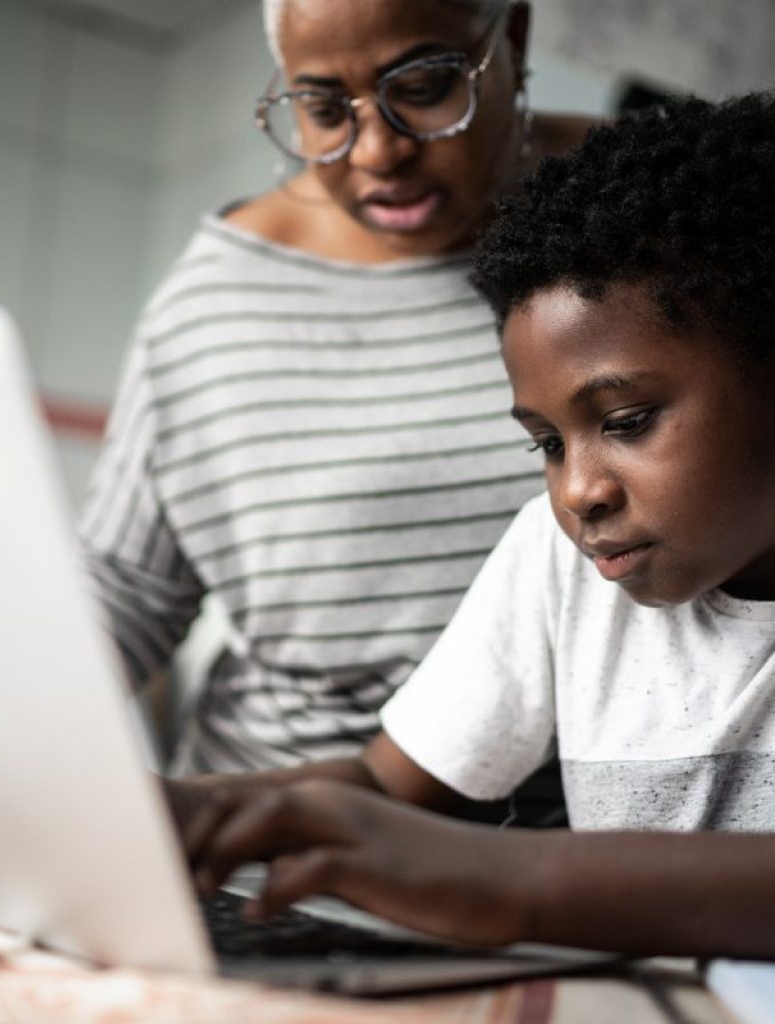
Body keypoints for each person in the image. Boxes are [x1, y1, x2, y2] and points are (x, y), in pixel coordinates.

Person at [175, 92, 775, 958]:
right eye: (545, 443)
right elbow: (389, 786)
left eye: (628, 420)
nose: (577, 492)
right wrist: (201, 809)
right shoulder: (560, 559)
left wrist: (516, 881)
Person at [79, 0, 592, 786]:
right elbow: (126, 590)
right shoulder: (215, 300)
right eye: (323, 109)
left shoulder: (646, 220)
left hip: (578, 862)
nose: (379, 151)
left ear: (511, 38)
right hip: (266, 843)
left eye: (423, 87)